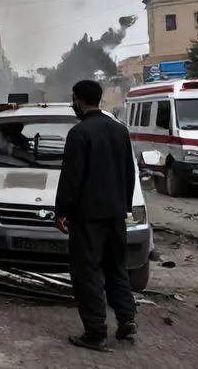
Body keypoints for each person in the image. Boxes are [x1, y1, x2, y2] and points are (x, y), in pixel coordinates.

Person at [55, 80, 138, 351]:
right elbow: (129, 172)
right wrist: (124, 205)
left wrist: (62, 211)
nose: (73, 104)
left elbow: (72, 178)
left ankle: (95, 333)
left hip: (88, 217)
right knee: (115, 267)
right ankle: (127, 318)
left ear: (78, 100)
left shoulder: (79, 133)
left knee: (87, 273)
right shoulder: (118, 130)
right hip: (115, 214)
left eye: (73, 100)